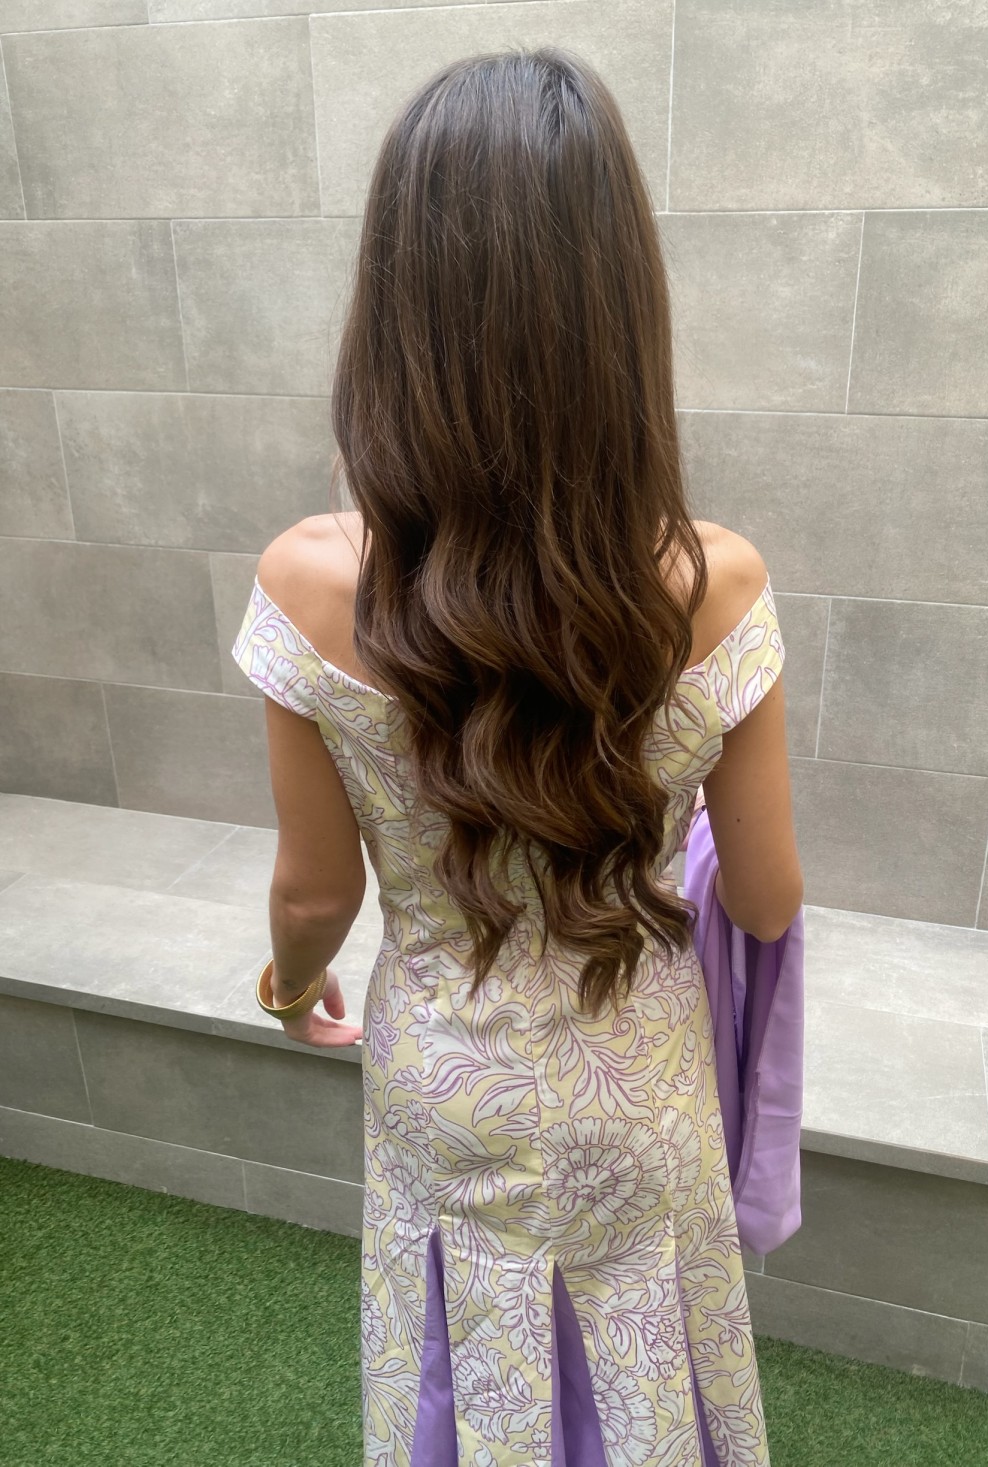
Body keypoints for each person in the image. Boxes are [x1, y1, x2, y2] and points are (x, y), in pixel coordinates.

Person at [231, 44, 802, 1467]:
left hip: (445, 1079)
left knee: (455, 1358)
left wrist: (289, 990)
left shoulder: (308, 583)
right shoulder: (714, 583)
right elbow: (769, 896)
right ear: (622, 309)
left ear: (396, 307)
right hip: (639, 1072)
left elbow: (315, 893)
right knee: (651, 1366)